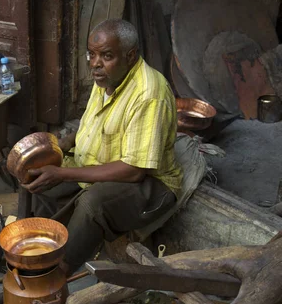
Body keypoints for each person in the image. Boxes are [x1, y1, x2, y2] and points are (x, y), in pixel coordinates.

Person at [24, 19, 182, 274]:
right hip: (102, 163)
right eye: (92, 54)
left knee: (92, 204)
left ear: (130, 56)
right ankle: (40, 249)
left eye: (106, 56)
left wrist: (63, 172)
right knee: (37, 177)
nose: (95, 63)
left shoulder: (149, 94)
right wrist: (62, 145)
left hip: (152, 184)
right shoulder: (107, 78)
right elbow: (93, 124)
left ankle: (57, 275)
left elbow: (134, 171)